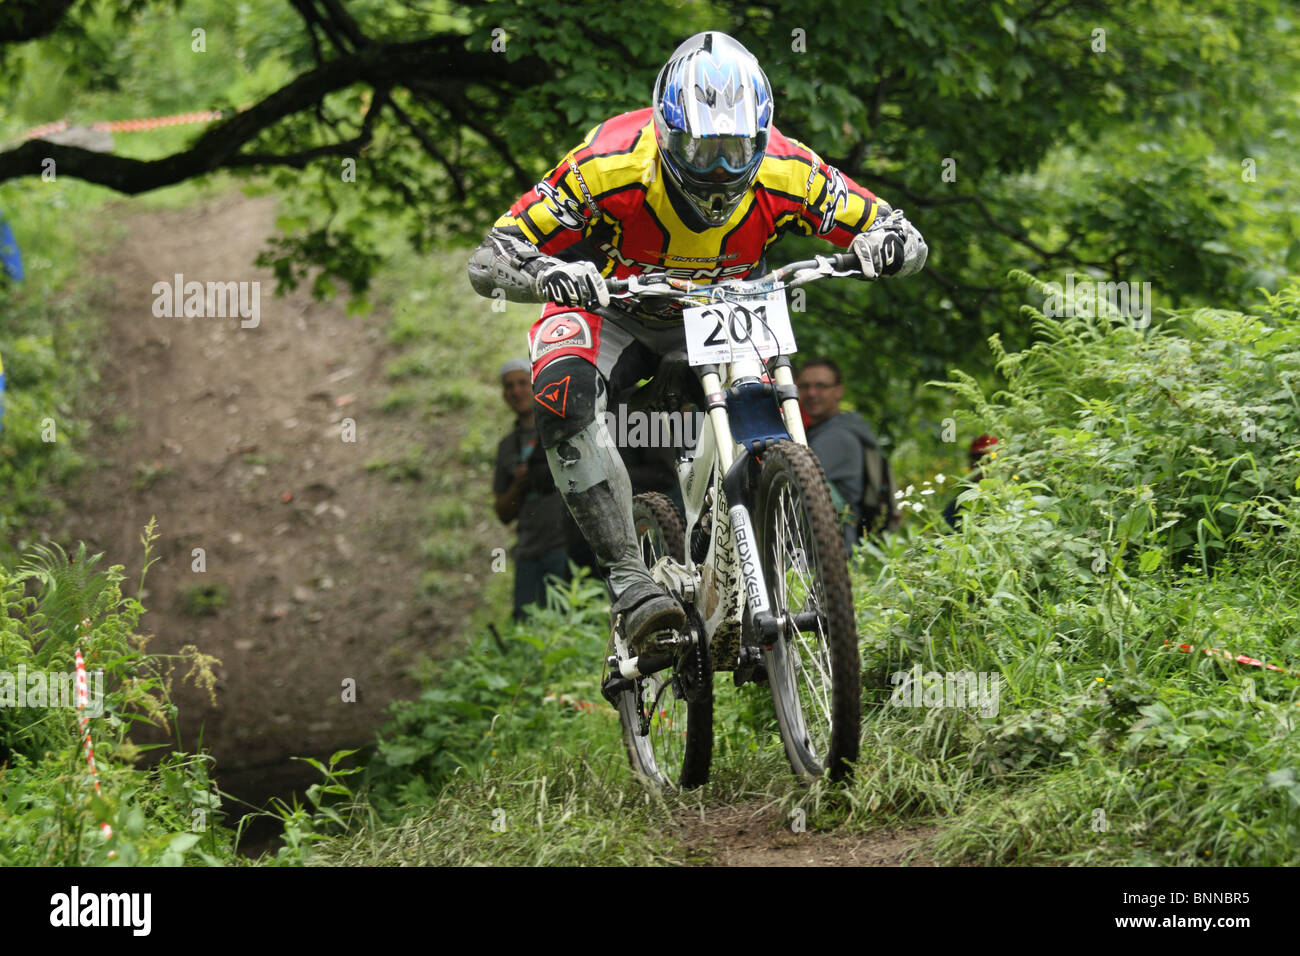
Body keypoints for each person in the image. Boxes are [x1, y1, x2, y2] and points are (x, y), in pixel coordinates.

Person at [468, 31, 927, 653]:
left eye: (736, 150)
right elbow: (492, 256)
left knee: (762, 402)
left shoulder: (789, 170)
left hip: (724, 306)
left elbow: (899, 230)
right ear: (665, 132)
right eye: (701, 150)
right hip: (610, 303)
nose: (719, 170)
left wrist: (888, 244)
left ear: (761, 136)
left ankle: (749, 544)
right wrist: (548, 271)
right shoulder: (609, 163)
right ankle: (629, 580)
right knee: (562, 393)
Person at [492, 358, 571, 620]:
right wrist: (520, 484)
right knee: (525, 626)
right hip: (527, 552)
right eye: (509, 386)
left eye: (522, 383)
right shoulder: (506, 447)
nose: (516, 391)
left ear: (535, 386)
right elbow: (503, 512)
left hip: (565, 547)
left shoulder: (561, 429)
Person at [796, 357, 894, 552]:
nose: (812, 393)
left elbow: (791, 484)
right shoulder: (831, 429)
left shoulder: (838, 437)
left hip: (830, 550)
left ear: (838, 391)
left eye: (821, 386)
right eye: (805, 386)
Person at [943, 433, 998, 529]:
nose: (978, 463)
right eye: (975, 458)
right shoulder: (960, 501)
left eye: (985, 458)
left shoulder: (1007, 496)